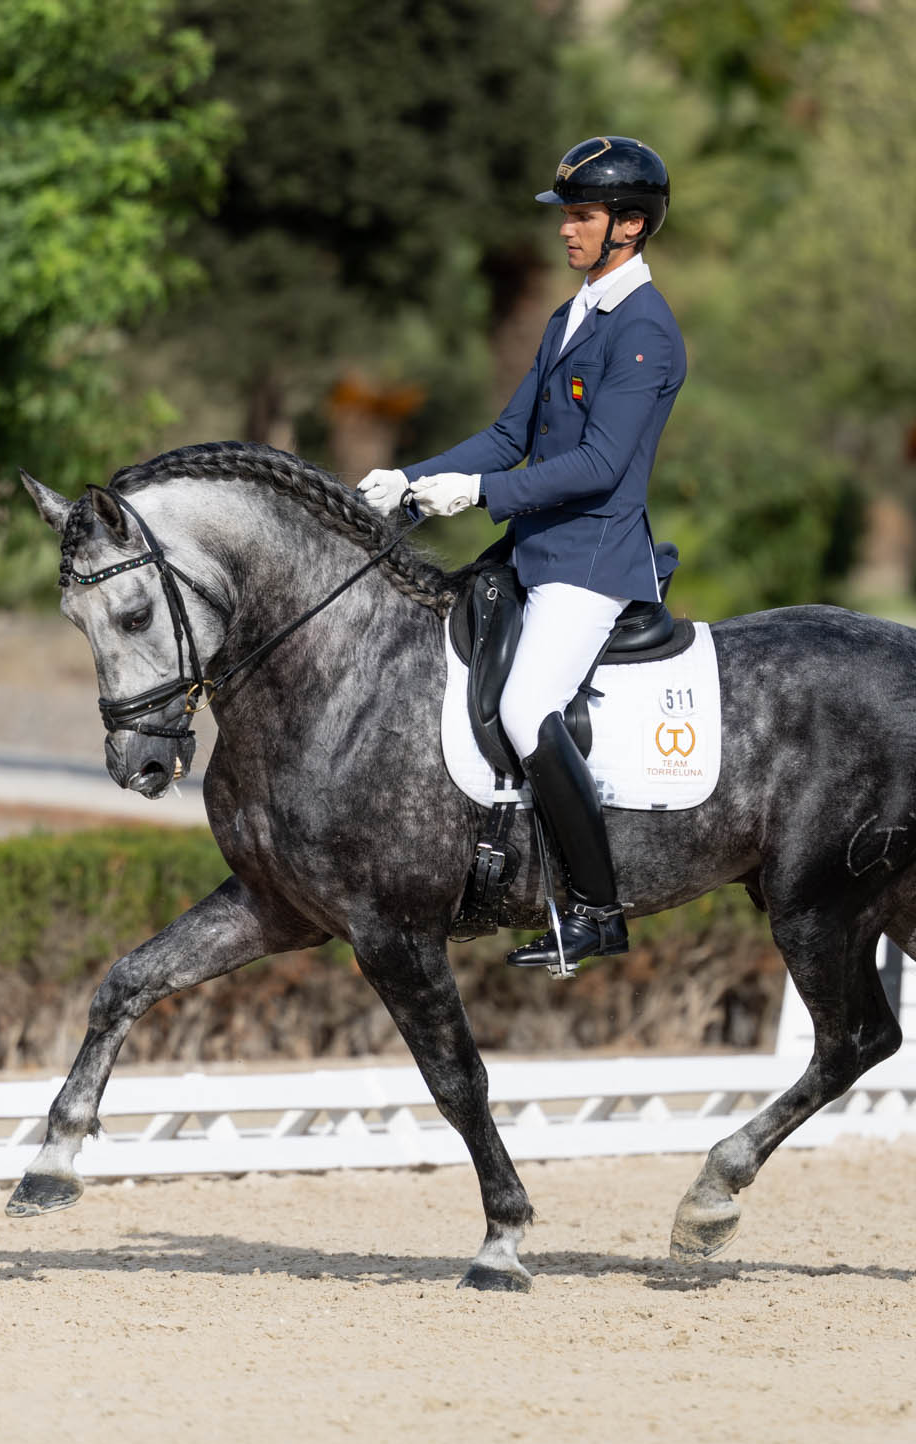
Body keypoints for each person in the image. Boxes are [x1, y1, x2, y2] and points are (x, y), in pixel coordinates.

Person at [357, 136, 685, 971]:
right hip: (533, 551)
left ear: (631, 226)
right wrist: (409, 477)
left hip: (593, 561)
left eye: (581, 216)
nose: (566, 231)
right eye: (567, 216)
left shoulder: (644, 331)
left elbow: (603, 465)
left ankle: (598, 911)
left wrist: (480, 495)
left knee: (523, 704)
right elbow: (510, 436)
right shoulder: (572, 316)